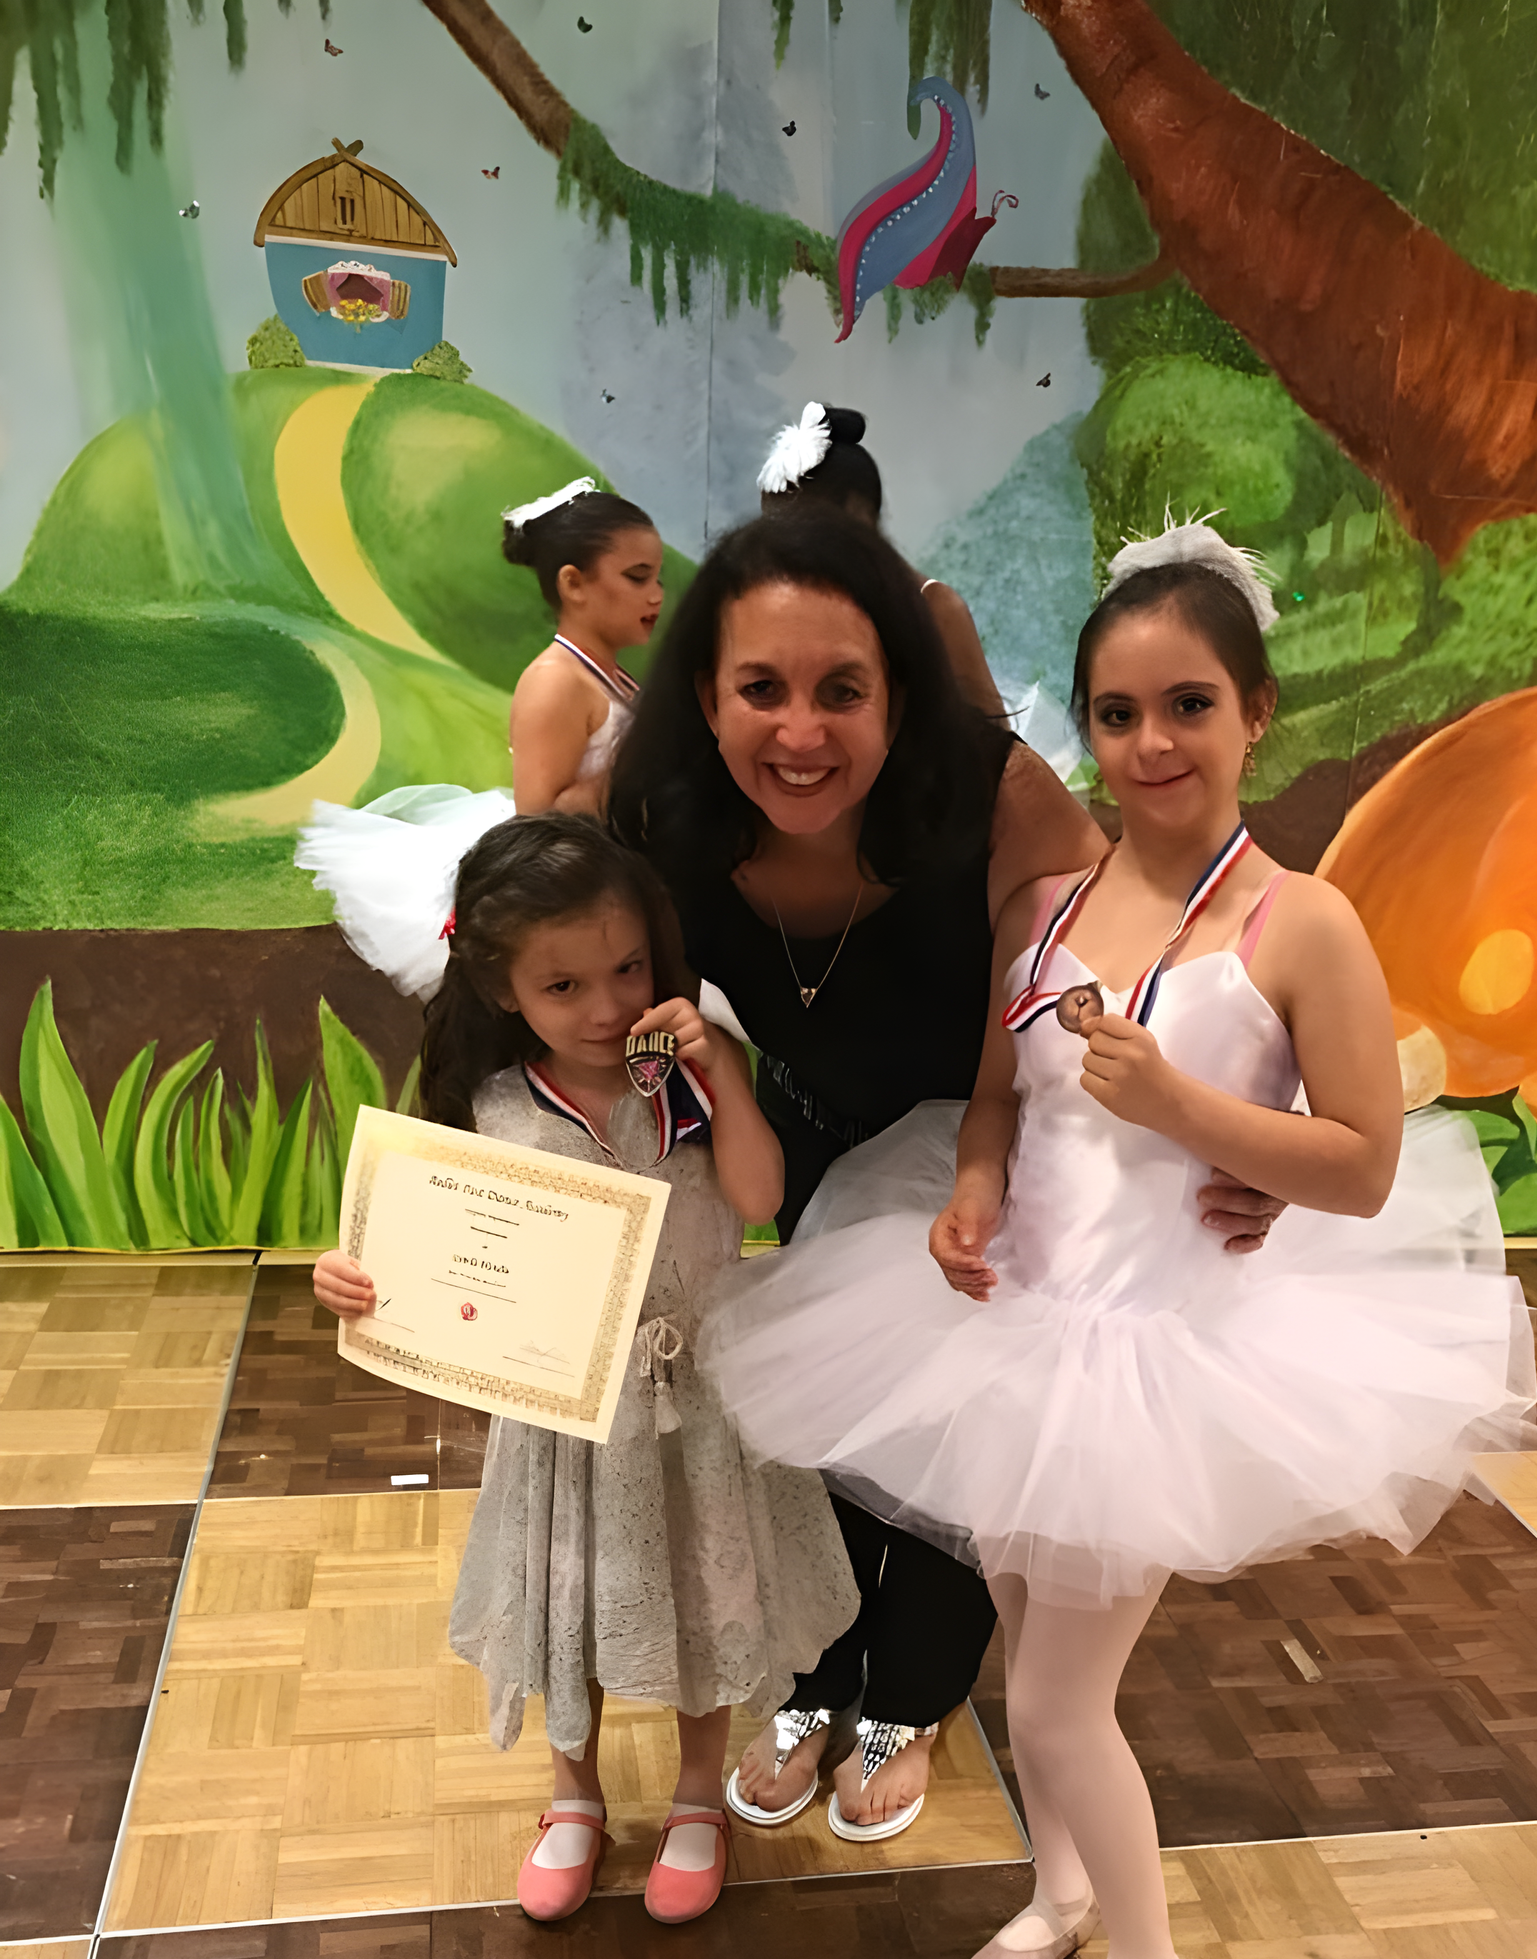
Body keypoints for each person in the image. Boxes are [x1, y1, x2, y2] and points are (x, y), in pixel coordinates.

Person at [700, 528, 1537, 1959]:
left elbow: (1358, 1163)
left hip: (1171, 1343)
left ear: (1256, 714)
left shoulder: (1304, 926)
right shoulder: (1047, 905)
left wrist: (1188, 1112)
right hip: (1020, 1320)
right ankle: (1062, 1894)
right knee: (1029, 1659)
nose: (1153, 745)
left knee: (1065, 1701)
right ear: (1082, 726)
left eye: (1190, 706)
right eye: (1117, 713)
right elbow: (998, 1092)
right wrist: (969, 1183)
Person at [607, 508, 1284, 1844]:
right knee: (817, 1421)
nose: (800, 733)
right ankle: (814, 1673)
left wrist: (1247, 1129)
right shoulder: (656, 808)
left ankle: (911, 1694)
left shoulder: (989, 786)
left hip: (1000, 1138)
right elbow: (570, 983)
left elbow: (1146, 958)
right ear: (706, 693)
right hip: (801, 1128)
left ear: (900, 693)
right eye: (762, 689)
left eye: (841, 690)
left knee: (966, 1435)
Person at [310, 813, 856, 1925]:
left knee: (709, 1590)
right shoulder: (490, 1102)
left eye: (626, 969)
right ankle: (573, 1794)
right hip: (567, 1412)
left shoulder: (691, 1076)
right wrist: (356, 1278)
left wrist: (728, 1075)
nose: (607, 1007)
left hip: (704, 1399)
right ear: (506, 989)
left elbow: (756, 1198)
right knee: (572, 1603)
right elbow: (427, 1244)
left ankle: (699, 1794)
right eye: (564, 986)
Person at [295, 482, 666, 997]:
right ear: (573, 584)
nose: (656, 595)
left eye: (658, 578)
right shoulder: (556, 681)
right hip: (574, 889)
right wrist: (640, 763)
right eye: (637, 577)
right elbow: (537, 816)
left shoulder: (612, 677)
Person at [757, 401, 1006, 723]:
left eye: (804, 535)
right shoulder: (763, 608)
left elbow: (997, 740)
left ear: (860, 520)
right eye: (771, 533)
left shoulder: (933, 607)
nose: (788, 554)